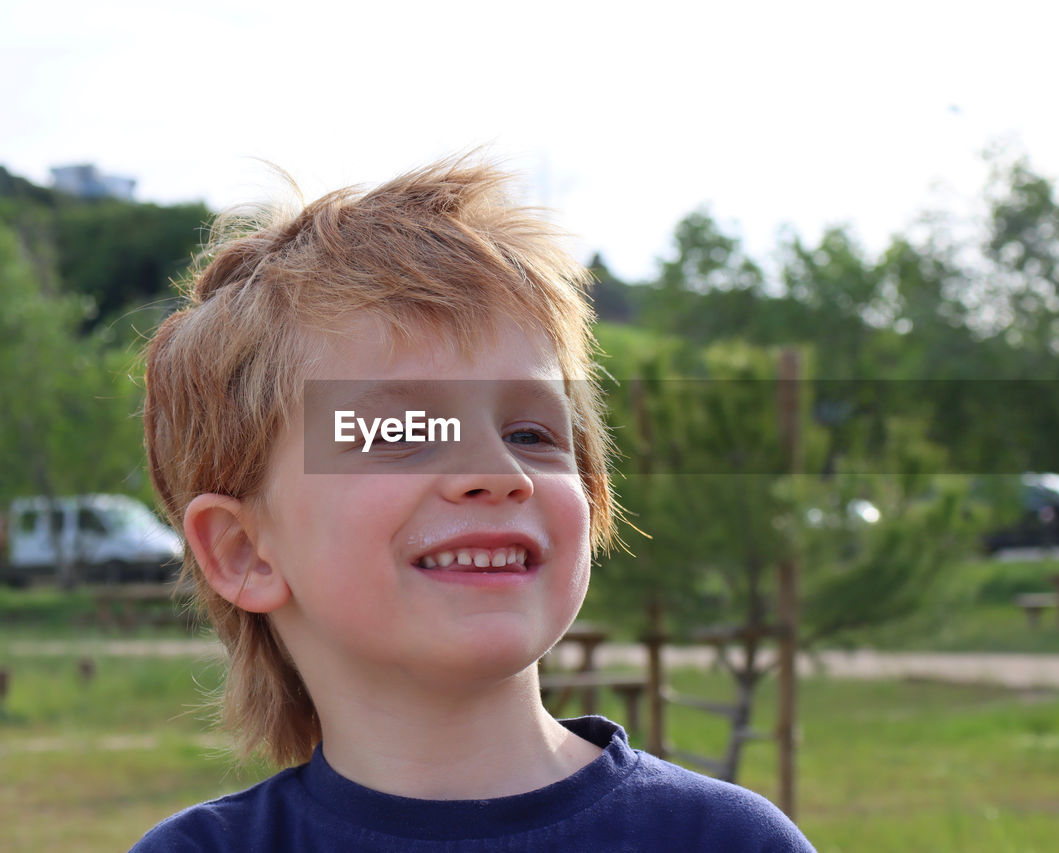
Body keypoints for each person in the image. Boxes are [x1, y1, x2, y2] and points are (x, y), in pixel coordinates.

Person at [132, 157, 815, 852]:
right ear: (244, 550)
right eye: (401, 433)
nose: (498, 470)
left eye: (530, 433)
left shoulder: (727, 841)